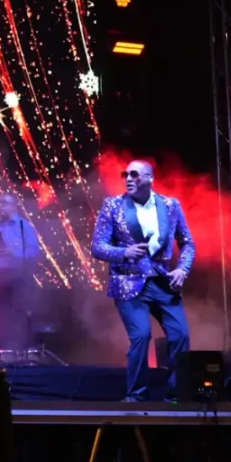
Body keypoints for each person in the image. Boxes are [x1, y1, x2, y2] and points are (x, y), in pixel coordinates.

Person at [90, 159, 195, 402]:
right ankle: (136, 396)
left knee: (180, 335)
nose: (128, 179)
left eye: (135, 175)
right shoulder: (113, 205)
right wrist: (123, 252)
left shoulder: (170, 205)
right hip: (128, 283)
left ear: (149, 178)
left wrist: (183, 269)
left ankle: (175, 395)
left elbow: (187, 242)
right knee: (141, 336)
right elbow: (97, 246)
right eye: (125, 174)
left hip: (163, 283)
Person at [0, 193, 41, 353]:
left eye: (4, 203)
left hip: (20, 279)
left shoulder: (24, 226)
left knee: (19, 315)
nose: (0, 206)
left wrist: (13, 253)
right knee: (2, 317)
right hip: (0, 279)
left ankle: (22, 352)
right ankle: (4, 352)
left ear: (13, 206)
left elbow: (35, 252)